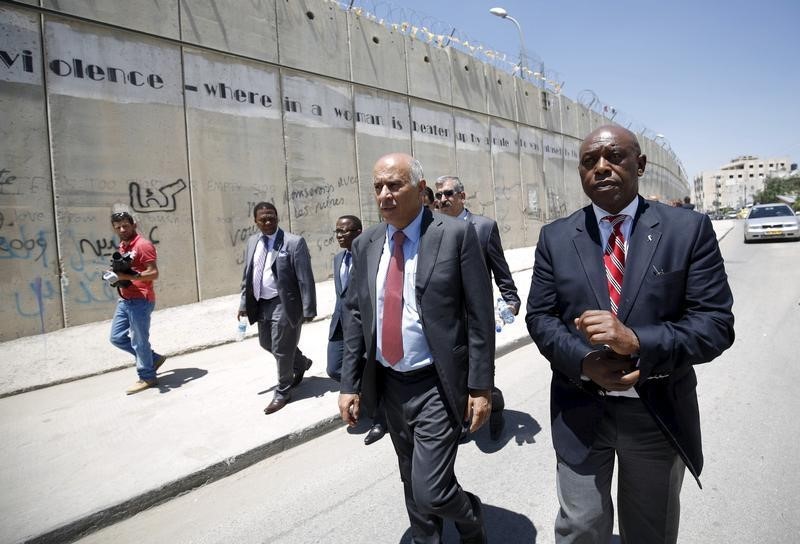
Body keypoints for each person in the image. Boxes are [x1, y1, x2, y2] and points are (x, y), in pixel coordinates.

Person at [525, 125, 734, 543]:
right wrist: (585, 363)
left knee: (649, 530)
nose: (601, 167)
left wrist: (637, 341)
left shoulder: (687, 230)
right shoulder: (556, 237)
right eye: (589, 161)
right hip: (580, 408)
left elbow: (715, 325)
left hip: (655, 411)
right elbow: (540, 318)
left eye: (614, 156)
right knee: (580, 525)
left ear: (639, 164)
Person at [338, 153, 494, 543]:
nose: (385, 195)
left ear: (420, 190)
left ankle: (469, 514)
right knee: (410, 476)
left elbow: (479, 316)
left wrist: (480, 386)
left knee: (433, 488)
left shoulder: (455, 235)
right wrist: (349, 384)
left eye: (395, 185)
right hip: (389, 383)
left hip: (437, 385)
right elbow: (357, 316)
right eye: (378, 187)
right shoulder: (367, 243)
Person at [435, 175, 521, 440]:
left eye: (449, 194)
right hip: (447, 319)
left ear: (462, 196)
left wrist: (511, 300)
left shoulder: (483, 227)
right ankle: (464, 419)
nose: (443, 199)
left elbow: (501, 271)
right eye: (439, 195)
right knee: (454, 377)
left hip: (478, 318)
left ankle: (496, 410)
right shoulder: (433, 230)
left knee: (482, 374)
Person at [238, 202, 317, 415]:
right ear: (255, 221)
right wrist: (244, 303)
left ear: (277, 217)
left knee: (282, 349)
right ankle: (300, 362)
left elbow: (305, 278)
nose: (268, 222)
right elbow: (247, 275)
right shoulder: (253, 242)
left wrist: (309, 308)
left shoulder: (293, 242)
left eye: (271, 217)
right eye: (263, 219)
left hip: (285, 303)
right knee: (266, 343)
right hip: (261, 302)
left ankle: (283, 390)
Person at [327, 215, 386, 445]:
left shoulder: (371, 257)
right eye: (337, 232)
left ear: (358, 232)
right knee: (333, 368)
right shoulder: (338, 259)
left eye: (345, 231)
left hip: (364, 325)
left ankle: (380, 417)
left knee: (374, 371)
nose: (340, 236)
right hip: (341, 324)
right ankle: (363, 394)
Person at [107, 211, 167, 395]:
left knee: (139, 341)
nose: (122, 229)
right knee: (116, 337)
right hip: (125, 298)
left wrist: (128, 276)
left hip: (141, 299)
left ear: (133, 224)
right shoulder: (124, 246)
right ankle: (153, 359)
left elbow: (154, 273)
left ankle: (147, 377)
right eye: (118, 227)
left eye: (125, 225)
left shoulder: (143, 245)